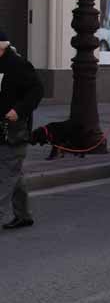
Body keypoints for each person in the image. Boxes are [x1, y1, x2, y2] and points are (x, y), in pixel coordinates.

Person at [0, 30, 43, 230]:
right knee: (13, 173)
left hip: (14, 131)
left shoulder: (18, 65)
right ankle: (23, 214)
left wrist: (18, 110)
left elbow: (37, 90)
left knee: (6, 175)